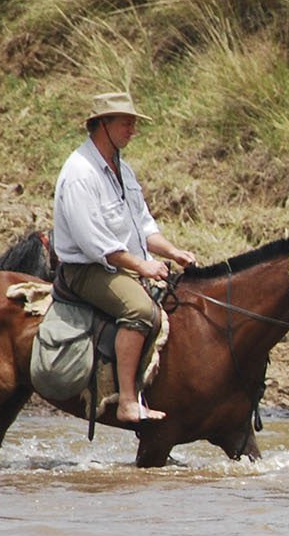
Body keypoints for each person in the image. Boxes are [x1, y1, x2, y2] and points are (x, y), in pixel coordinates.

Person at [52, 92, 196, 422]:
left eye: (133, 123)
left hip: (120, 264)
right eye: (126, 122)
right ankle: (128, 401)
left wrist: (172, 251)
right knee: (141, 310)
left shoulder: (123, 170)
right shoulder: (80, 174)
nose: (133, 129)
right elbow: (95, 245)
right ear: (102, 124)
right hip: (87, 270)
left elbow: (143, 226)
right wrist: (142, 265)